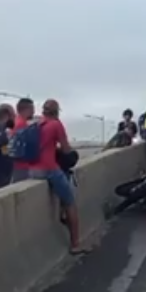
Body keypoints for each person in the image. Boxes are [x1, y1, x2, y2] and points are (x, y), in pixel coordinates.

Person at [29, 99, 88, 255]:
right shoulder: (56, 124)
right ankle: (75, 244)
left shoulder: (36, 124)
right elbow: (67, 150)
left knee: (61, 184)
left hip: (33, 170)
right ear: (56, 112)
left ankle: (62, 213)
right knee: (70, 201)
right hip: (48, 169)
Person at [10, 97, 38, 182]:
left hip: (15, 165)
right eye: (32, 109)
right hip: (22, 167)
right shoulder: (21, 124)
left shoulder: (15, 121)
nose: (34, 112)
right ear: (26, 109)